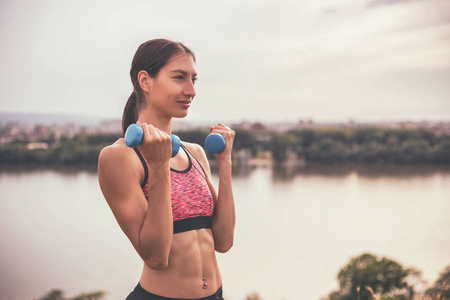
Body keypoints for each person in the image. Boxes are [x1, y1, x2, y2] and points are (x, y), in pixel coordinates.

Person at [98, 39, 236, 300]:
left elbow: (224, 241)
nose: (191, 90)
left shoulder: (194, 153)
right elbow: (156, 256)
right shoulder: (120, 157)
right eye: (179, 78)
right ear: (145, 81)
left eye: (194, 79)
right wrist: (159, 166)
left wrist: (225, 162)